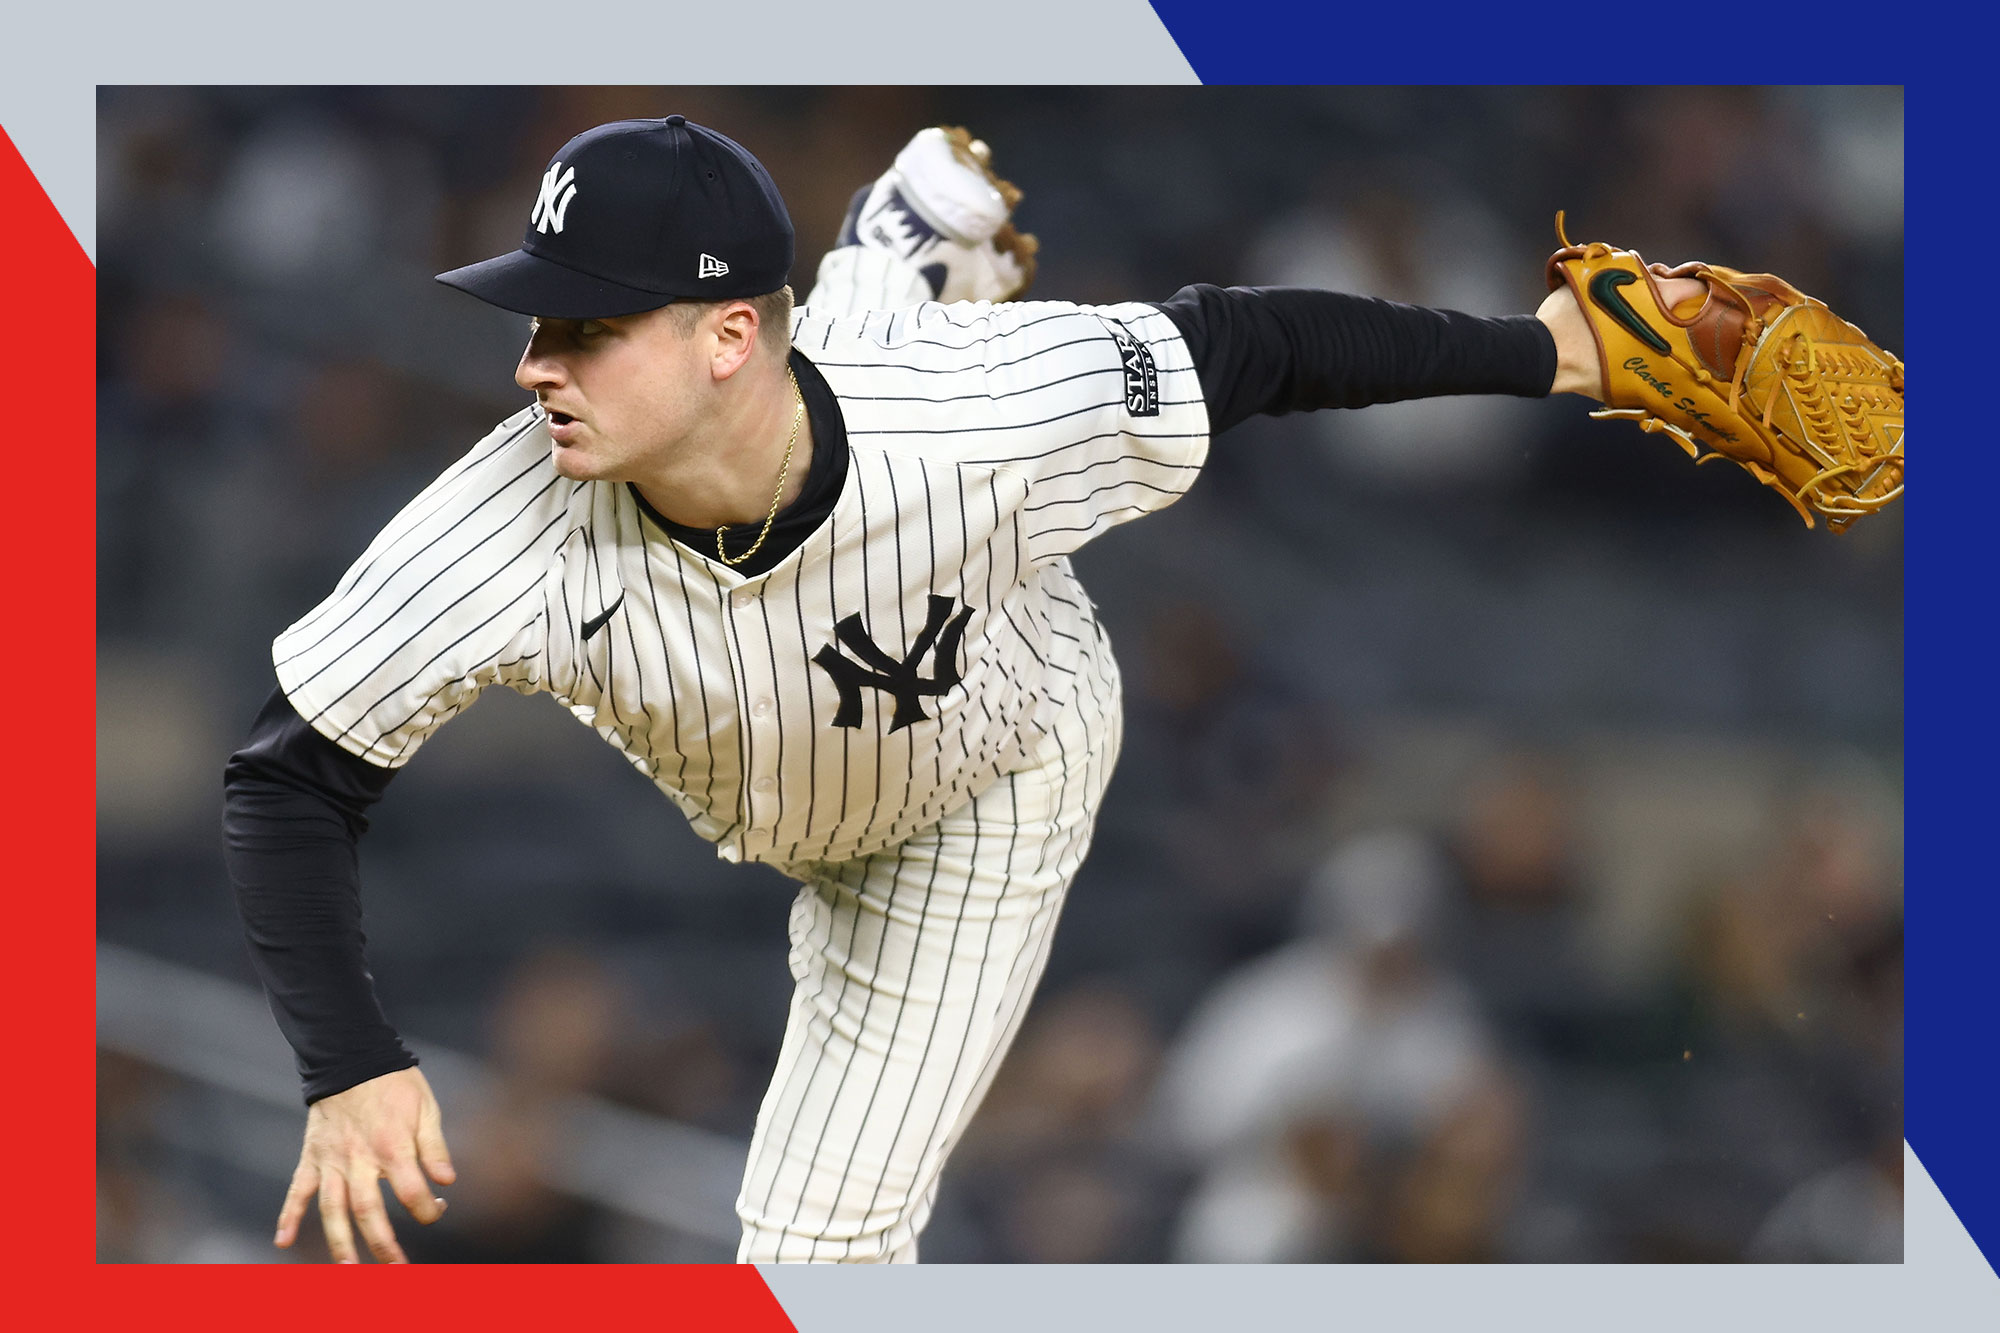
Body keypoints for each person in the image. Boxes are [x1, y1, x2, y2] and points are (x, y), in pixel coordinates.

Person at [223, 113, 1660, 1265]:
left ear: (722, 330)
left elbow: (1248, 348)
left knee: (815, 1248)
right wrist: (348, 1060)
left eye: (583, 330)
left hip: (990, 768)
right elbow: (290, 774)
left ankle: (899, 249)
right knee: (851, 349)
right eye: (532, 323)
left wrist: (1552, 350)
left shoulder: (990, 408)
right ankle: (897, 241)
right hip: (797, 763)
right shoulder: (504, 519)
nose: (535, 363)